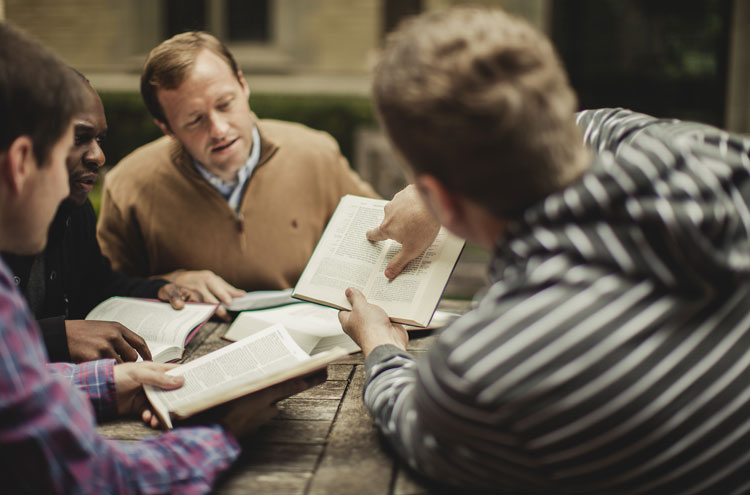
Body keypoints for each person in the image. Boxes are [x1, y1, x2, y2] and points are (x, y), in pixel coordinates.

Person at [337, 7, 750, 493]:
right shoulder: (714, 157)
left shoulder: (487, 367)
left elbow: (413, 424)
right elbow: (601, 127)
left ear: (445, 199)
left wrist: (381, 349)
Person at [0, 21, 316, 494]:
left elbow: (14, 386)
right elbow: (95, 480)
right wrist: (225, 431)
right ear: (23, 163)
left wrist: (110, 382)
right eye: (76, 142)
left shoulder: (71, 217)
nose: (99, 159)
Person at [97, 31, 377, 310]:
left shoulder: (318, 154)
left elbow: (379, 238)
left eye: (225, 104)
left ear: (243, 85)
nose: (219, 130)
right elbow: (103, 288)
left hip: (310, 336)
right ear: (167, 128)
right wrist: (166, 283)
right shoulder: (127, 185)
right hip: (191, 348)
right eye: (195, 120)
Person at [3, 72, 202, 363]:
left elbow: (97, 284)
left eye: (99, 139)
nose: (98, 156)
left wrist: (158, 288)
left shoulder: (73, 209)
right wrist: (58, 337)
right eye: (80, 138)